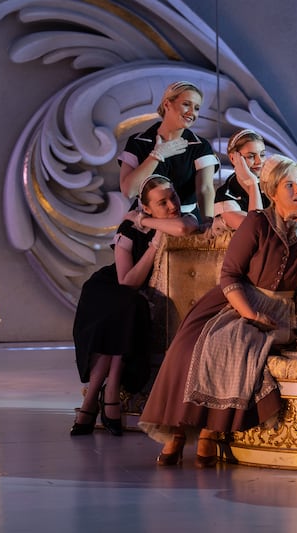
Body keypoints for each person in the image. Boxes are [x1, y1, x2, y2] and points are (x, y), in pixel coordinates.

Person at [138, 154, 297, 467]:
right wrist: (251, 314)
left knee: (237, 344)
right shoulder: (257, 222)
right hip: (236, 301)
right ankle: (178, 430)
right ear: (272, 191)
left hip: (280, 310)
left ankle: (209, 430)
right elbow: (230, 275)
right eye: (289, 184)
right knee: (197, 345)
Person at [70, 175, 199, 437]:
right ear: (147, 206)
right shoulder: (128, 230)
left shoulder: (182, 218)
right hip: (108, 289)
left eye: (172, 196)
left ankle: (94, 399)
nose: (172, 205)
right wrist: (153, 243)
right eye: (162, 202)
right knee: (126, 307)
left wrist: (147, 221)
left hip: (131, 300)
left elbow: (184, 228)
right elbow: (126, 281)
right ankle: (106, 392)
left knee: (128, 310)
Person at [118, 81, 220, 222]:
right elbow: (128, 191)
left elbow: (205, 189)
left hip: (187, 222)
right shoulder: (138, 142)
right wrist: (156, 156)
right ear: (167, 104)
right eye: (186, 104)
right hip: (146, 223)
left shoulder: (200, 146)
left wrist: (208, 224)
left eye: (196, 108)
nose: (192, 112)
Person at [212, 129, 270, 233]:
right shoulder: (225, 195)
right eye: (251, 156)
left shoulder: (273, 184)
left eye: (262, 155)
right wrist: (252, 183)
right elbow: (255, 228)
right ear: (233, 158)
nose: (259, 161)